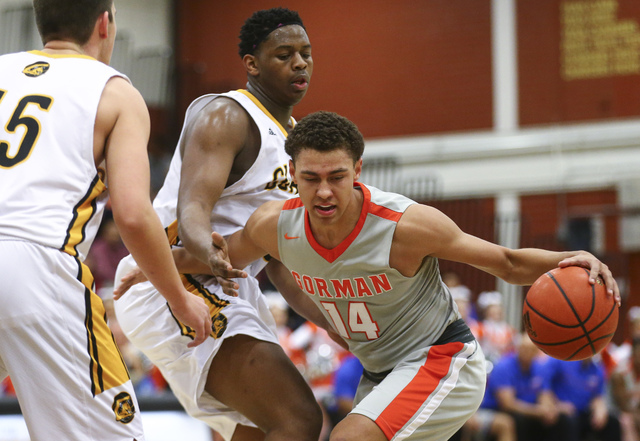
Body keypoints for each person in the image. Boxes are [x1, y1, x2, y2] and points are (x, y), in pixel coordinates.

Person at [199, 110, 621, 441]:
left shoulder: (406, 225)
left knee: (349, 437)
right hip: (379, 371)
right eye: (311, 178)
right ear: (293, 175)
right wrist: (148, 263)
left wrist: (572, 256)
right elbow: (220, 259)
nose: (324, 191)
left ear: (358, 170)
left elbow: (506, 263)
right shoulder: (275, 226)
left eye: (336, 177)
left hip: (441, 356)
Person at [113, 7, 332, 441]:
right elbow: (192, 206)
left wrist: (334, 325)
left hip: (229, 283)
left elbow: (280, 264)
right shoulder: (228, 114)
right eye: (284, 54)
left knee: (256, 430)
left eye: (305, 53)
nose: (300, 63)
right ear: (252, 64)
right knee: (298, 418)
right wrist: (205, 249)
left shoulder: (295, 138)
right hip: (173, 273)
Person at [0, 1, 211, 440]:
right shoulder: (114, 90)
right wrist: (178, 297)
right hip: (37, 266)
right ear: (105, 23)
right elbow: (133, 214)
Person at [483, 333, 575, 441]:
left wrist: (548, 410)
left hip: (530, 410)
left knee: (559, 419)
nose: (526, 352)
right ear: (517, 349)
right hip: (498, 410)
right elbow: (508, 404)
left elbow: (544, 394)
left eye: (530, 349)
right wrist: (537, 412)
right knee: (518, 419)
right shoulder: (503, 367)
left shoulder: (540, 368)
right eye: (523, 348)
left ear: (536, 352)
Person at [543, 357, 621, 441]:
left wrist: (600, 410)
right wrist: (557, 405)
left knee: (613, 421)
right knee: (569, 421)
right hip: (563, 411)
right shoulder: (561, 360)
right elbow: (545, 387)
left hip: (584, 412)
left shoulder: (597, 368)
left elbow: (597, 396)